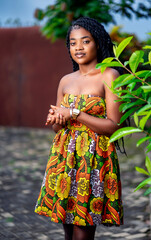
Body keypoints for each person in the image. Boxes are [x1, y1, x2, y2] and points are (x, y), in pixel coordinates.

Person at [35, 17, 123, 240]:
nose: (79, 47)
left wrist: (75, 113)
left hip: (93, 161)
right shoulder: (66, 80)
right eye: (73, 43)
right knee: (67, 228)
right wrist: (57, 118)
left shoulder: (110, 76)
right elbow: (57, 129)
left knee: (82, 230)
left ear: (98, 43)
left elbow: (114, 126)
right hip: (64, 158)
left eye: (85, 41)